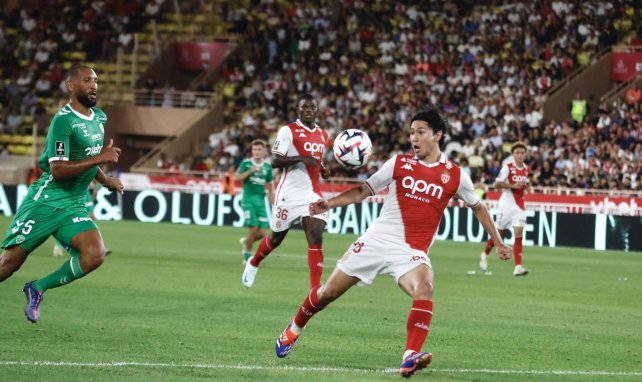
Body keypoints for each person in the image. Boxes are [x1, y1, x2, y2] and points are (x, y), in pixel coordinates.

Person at [273, 108, 512, 378]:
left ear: (437, 135)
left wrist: (499, 242)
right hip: (377, 241)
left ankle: (409, 357)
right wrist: (328, 203)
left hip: (410, 252)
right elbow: (364, 190)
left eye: (420, 132)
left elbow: (478, 207)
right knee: (327, 292)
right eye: (411, 133)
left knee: (425, 288)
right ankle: (293, 329)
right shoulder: (398, 163)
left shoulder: (456, 176)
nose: (414, 138)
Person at [0, 65, 124, 323]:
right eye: (87, 80)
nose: (94, 85)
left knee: (94, 254)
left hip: (74, 204)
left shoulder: (99, 117)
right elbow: (57, 169)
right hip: (46, 201)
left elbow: (89, 158)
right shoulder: (63, 120)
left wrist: (105, 179)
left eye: (96, 81)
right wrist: (102, 157)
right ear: (71, 85)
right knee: (8, 265)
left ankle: (37, 288)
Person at [242, 93, 331, 289]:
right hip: (289, 195)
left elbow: (316, 159)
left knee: (316, 235)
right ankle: (254, 262)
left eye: (311, 107)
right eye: (304, 107)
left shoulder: (322, 135)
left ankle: (315, 292)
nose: (308, 110)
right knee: (275, 239)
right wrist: (300, 158)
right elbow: (274, 161)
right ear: (298, 110)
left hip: (312, 194)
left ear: (316, 110)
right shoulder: (288, 131)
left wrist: (323, 169)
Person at [480, 141, 530, 276]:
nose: (520, 155)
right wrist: (513, 186)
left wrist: (526, 187)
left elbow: (524, 185)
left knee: (518, 235)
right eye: (517, 153)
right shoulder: (507, 168)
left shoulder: (526, 168)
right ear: (513, 155)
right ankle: (484, 254)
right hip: (506, 205)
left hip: (519, 207)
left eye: (522, 153)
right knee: (499, 235)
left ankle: (518, 267)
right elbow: (496, 184)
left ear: (525, 154)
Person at [236, 139, 275, 264]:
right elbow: (236, 178)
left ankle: (246, 241)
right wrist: (250, 171)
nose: (256, 152)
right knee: (253, 230)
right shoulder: (246, 164)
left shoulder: (267, 166)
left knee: (263, 234)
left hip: (261, 202)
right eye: (254, 149)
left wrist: (271, 195)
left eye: (259, 149)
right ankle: (247, 256)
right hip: (248, 200)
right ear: (252, 151)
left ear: (264, 151)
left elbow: (270, 182)